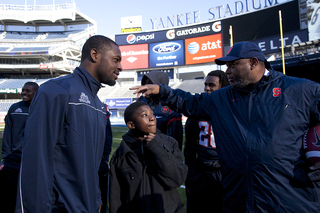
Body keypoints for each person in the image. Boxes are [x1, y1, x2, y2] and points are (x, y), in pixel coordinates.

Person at [131, 41, 320, 212]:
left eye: (233, 65)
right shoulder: (223, 97)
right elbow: (191, 103)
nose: (227, 71)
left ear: (253, 62)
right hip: (239, 200)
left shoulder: (300, 90)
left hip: (290, 200)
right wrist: (162, 90)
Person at [16, 35, 122, 213]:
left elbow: (94, 163)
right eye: (116, 60)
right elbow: (36, 158)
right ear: (94, 55)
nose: (120, 67)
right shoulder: (56, 90)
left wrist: (96, 197)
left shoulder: (97, 104)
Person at [109, 101, 188, 213]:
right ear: (131, 125)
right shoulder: (120, 156)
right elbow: (115, 198)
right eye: (144, 115)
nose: (152, 118)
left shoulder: (170, 143)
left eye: (152, 114)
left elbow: (177, 179)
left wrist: (157, 147)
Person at [184, 70, 228, 213]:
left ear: (223, 86)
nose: (207, 88)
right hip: (202, 170)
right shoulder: (199, 109)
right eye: (206, 85)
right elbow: (189, 145)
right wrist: (191, 170)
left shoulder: (231, 110)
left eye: (212, 85)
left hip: (223, 172)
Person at [0, 82, 39, 212]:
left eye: (28, 91)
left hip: (33, 162)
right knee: (9, 196)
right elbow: (7, 135)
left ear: (36, 92)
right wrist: (6, 157)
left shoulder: (41, 109)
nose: (24, 93)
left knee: (30, 196)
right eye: (23, 90)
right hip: (13, 161)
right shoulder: (14, 109)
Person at [139, 71, 184, 150]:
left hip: (161, 155)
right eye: (145, 84)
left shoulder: (171, 108)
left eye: (150, 84)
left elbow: (176, 142)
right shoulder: (140, 102)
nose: (146, 87)